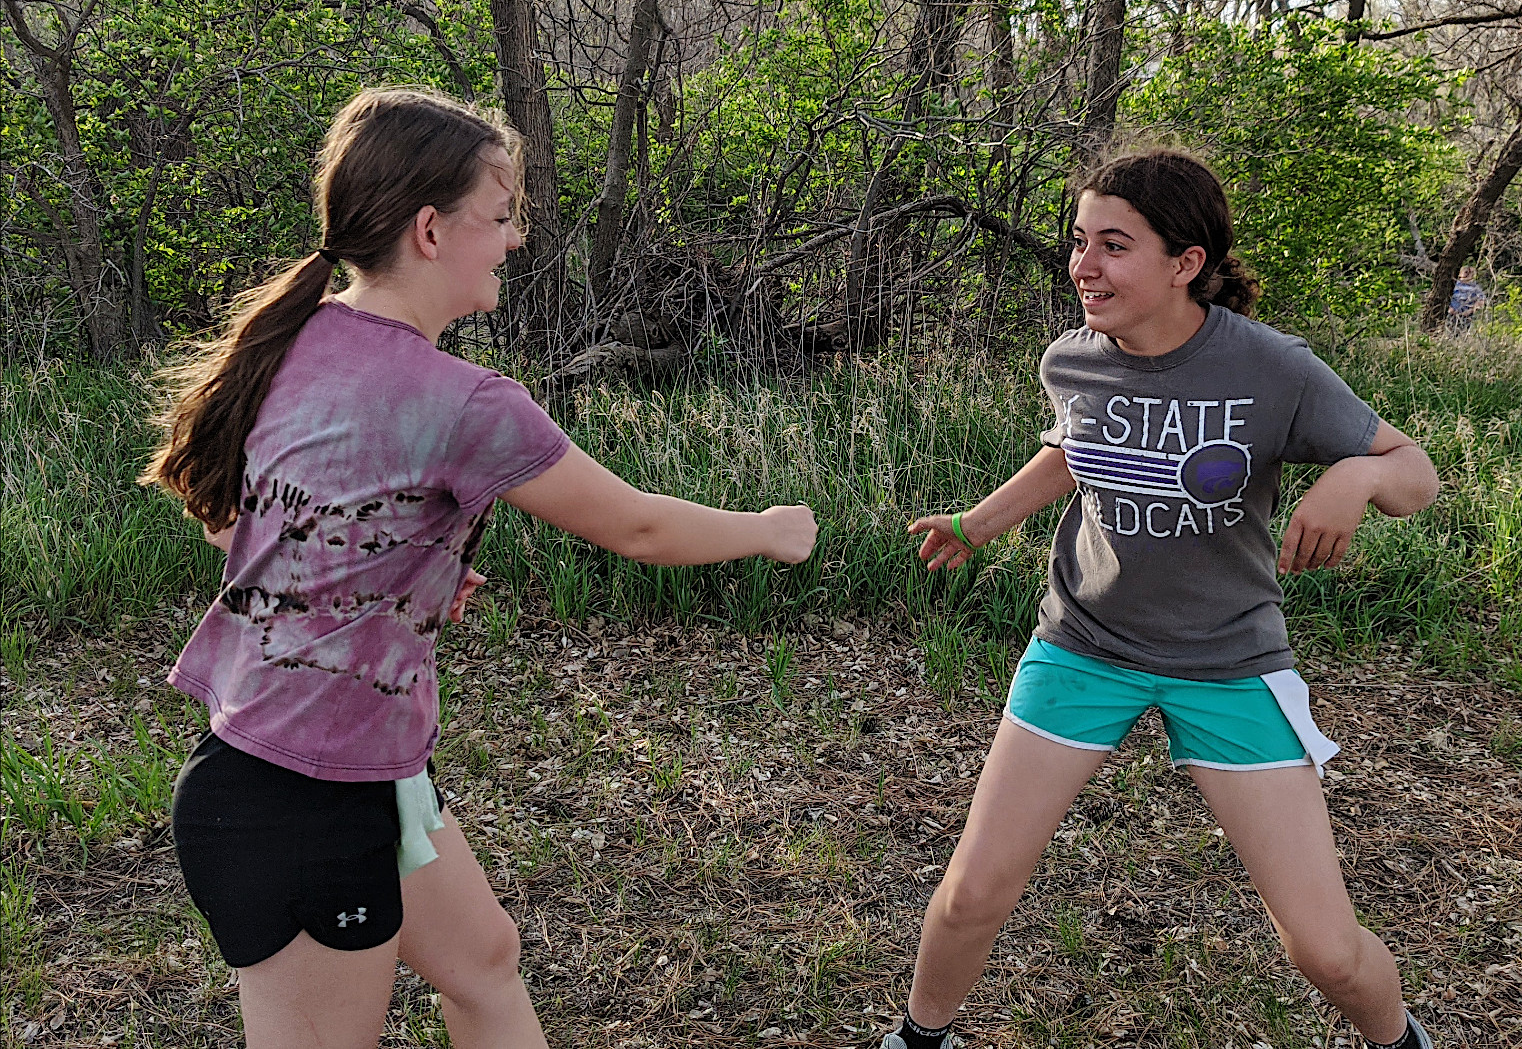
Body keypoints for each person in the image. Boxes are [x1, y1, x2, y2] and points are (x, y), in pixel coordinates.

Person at [141, 87, 817, 1049]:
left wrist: (386, 575)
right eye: (498, 220)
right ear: (429, 229)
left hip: (359, 768)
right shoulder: (466, 401)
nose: (511, 242)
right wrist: (768, 528)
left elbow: (235, 525)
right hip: (297, 800)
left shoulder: (295, 341)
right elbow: (638, 531)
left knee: (483, 962)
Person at [884, 149, 1441, 1049]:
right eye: (1077, 243)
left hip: (1227, 663)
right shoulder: (1072, 360)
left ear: (1185, 264)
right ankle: (916, 1039)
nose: (1082, 267)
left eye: (1113, 246)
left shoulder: (1271, 369)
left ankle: (1400, 1041)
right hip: (1081, 647)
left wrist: (1350, 475)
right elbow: (1075, 449)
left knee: (1327, 952)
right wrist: (979, 523)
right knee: (972, 894)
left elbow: (1413, 473)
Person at [1445, 264, 1487, 333]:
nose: (1468, 274)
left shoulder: (1475, 287)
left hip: (1466, 315)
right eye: (1466, 272)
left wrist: (1471, 310)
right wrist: (1449, 308)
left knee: (1462, 332)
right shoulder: (1454, 285)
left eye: (1470, 272)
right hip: (1452, 314)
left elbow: (1481, 301)